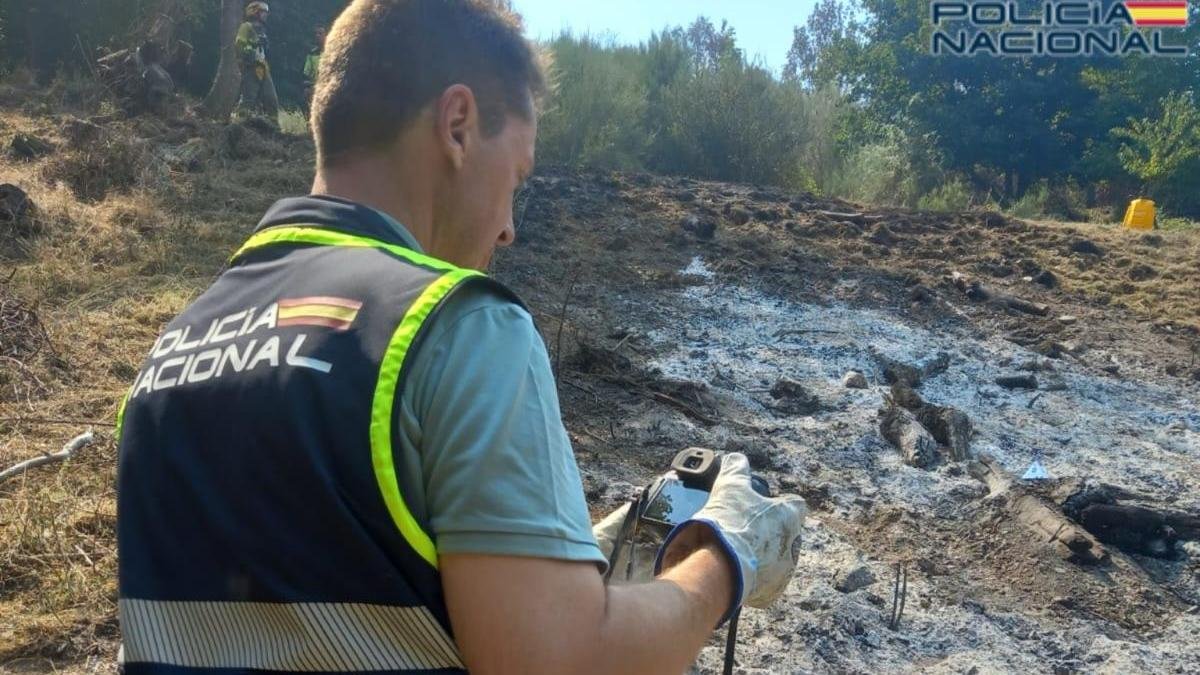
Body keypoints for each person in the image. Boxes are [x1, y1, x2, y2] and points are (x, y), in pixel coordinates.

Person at [114, 1, 806, 673]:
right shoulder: (457, 326)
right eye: (518, 179)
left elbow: (302, 587)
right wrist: (726, 558)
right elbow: (563, 662)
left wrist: (535, 555)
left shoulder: (173, 348)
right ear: (457, 125)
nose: (508, 228)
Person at [235, 1, 279, 122]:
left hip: (263, 67)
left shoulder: (262, 30)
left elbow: (264, 51)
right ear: (255, 12)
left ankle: (274, 128)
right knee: (248, 99)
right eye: (263, 12)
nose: (266, 15)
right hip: (250, 67)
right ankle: (240, 124)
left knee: (271, 99)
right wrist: (254, 44)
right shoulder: (246, 26)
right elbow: (239, 45)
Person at [304, 26, 327, 111]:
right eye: (316, 34)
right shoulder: (312, 53)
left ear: (326, 36)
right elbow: (306, 74)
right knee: (307, 92)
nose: (317, 36)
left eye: (320, 33)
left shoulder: (331, 52)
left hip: (329, 85)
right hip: (315, 85)